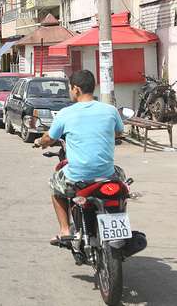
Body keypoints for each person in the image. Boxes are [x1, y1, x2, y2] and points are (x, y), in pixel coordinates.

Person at [33, 69, 124, 246]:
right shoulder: (111, 110)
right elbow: (119, 132)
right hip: (107, 174)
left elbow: (49, 138)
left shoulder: (66, 113)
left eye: (69, 89)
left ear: (76, 89)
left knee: (54, 185)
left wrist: (40, 141)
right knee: (122, 181)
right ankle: (119, 217)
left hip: (78, 176)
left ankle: (65, 230)